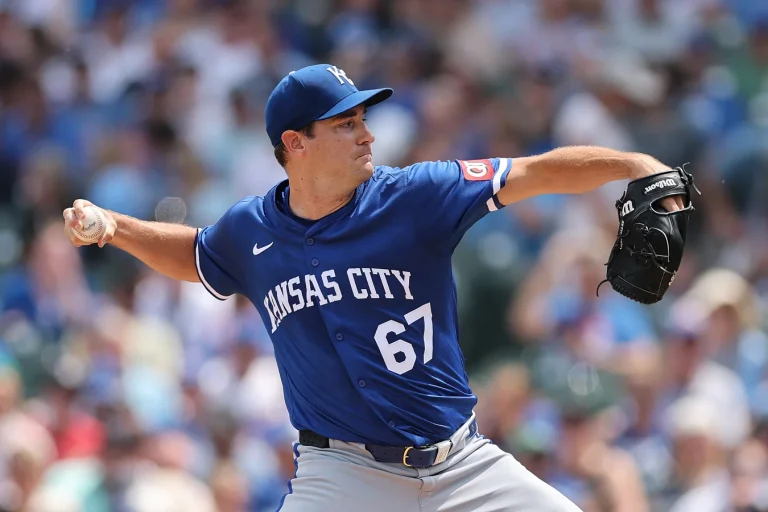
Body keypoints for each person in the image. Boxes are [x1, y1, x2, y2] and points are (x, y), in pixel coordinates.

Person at [62, 64, 684, 511]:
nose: (368, 134)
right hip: (341, 475)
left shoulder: (416, 195)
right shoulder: (251, 229)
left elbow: (531, 172)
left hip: (463, 465)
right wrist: (117, 228)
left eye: (364, 119)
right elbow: (196, 253)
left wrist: (638, 167)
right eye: (346, 123)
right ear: (295, 143)